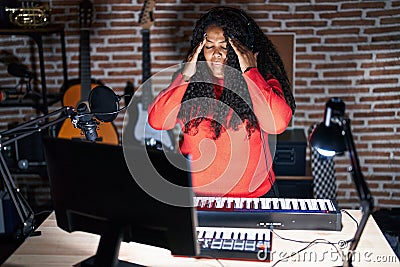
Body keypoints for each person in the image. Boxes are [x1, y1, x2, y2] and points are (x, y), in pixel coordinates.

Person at [148, 6, 295, 198]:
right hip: (199, 201)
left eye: (225, 46)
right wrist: (185, 75)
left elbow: (277, 123)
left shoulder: (262, 82)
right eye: (209, 46)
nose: (216, 53)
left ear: (242, 50)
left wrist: (251, 72)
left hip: (253, 201)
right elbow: (157, 121)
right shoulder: (188, 83)